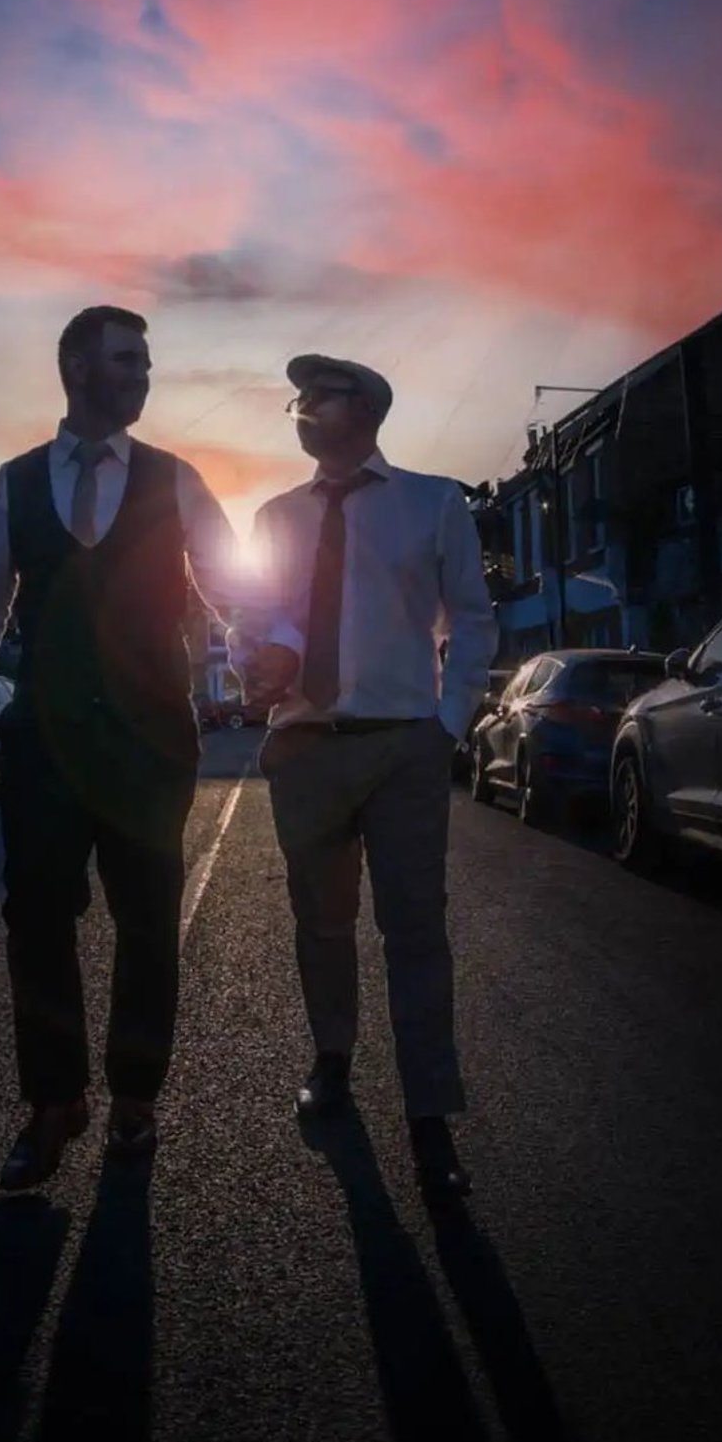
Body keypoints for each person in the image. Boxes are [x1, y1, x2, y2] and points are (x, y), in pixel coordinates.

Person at [0, 306, 251, 1192]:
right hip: (44, 741)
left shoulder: (175, 479)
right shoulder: (16, 482)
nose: (143, 375)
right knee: (35, 920)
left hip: (150, 748)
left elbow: (232, 585)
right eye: (126, 360)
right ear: (75, 367)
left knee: (148, 923)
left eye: (146, 362)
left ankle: (135, 1103)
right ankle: (54, 1102)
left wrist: (276, 659)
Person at [232, 355, 498, 1201]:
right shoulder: (274, 515)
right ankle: (333, 1061)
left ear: (369, 408)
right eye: (298, 400)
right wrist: (259, 657)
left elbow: (475, 619)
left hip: (402, 745)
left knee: (416, 931)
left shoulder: (435, 501)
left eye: (321, 395)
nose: (303, 409)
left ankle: (429, 1115)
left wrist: (445, 724)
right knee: (321, 924)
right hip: (306, 745)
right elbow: (256, 616)